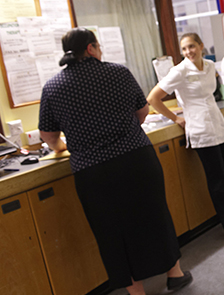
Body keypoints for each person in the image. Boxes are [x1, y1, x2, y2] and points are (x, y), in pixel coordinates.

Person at [39, 28, 192, 295]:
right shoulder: (118, 72)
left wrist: (65, 146)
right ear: (90, 49)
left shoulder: (53, 87)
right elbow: (142, 112)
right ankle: (174, 274)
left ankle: (136, 291)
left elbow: (49, 136)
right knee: (155, 215)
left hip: (93, 171)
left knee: (110, 231)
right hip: (136, 159)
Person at [147, 33, 224, 240]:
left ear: (201, 45)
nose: (189, 52)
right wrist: (175, 118)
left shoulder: (210, 66)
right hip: (200, 130)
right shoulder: (179, 71)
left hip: (219, 127)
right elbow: (153, 98)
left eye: (192, 46)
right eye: (185, 49)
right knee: (218, 182)